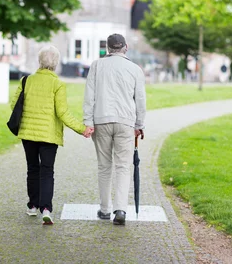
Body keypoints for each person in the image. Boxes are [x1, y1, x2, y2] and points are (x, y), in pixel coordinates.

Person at [10, 45, 92, 225]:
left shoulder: (26, 81)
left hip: (28, 133)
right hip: (48, 135)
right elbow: (62, 113)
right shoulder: (57, 84)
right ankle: (46, 208)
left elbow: (13, 105)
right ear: (56, 63)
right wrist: (82, 129)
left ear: (39, 61)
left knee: (32, 169)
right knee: (47, 171)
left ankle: (32, 206)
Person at [83, 34, 146, 225]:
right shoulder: (135, 69)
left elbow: (89, 96)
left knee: (104, 166)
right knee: (123, 167)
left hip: (101, 120)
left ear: (107, 48)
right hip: (126, 121)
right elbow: (140, 100)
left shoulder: (96, 66)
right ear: (126, 47)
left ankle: (104, 209)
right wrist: (139, 124)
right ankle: (121, 209)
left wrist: (88, 121)